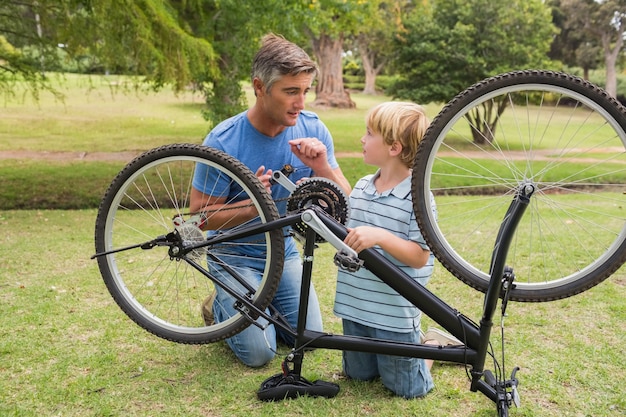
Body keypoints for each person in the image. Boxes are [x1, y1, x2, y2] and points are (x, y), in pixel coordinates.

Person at [189, 33, 351, 368]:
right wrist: (253, 202)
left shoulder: (313, 130)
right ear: (260, 87)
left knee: (310, 338)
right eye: (291, 92)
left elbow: (345, 202)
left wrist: (321, 165)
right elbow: (198, 219)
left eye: (305, 91)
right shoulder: (223, 140)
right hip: (233, 254)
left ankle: (258, 306)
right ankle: (219, 305)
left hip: (283, 251)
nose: (301, 103)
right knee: (259, 354)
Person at [333, 101, 460, 399]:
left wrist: (380, 236)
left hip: (392, 314)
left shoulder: (418, 197)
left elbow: (420, 256)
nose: (362, 140)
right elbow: (350, 232)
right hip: (357, 308)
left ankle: (431, 347)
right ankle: (407, 350)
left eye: (369, 134)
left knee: (408, 389)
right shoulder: (364, 185)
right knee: (358, 377)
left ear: (393, 147)